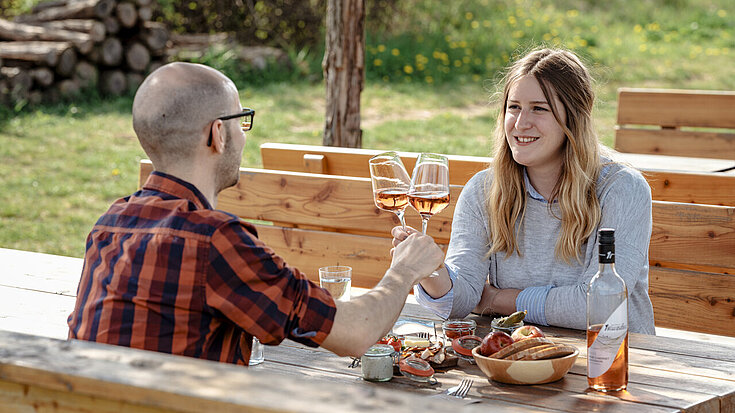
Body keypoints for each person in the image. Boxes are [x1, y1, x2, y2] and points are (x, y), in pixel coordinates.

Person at [67, 62, 445, 365]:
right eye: (240, 120)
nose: (244, 135)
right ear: (218, 134)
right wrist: (404, 271)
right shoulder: (215, 241)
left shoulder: (110, 224)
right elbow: (355, 334)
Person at [392, 47, 655, 334]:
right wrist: (430, 270)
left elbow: (600, 305)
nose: (520, 123)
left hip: (615, 362)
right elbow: (463, 300)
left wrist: (499, 299)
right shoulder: (484, 190)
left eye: (539, 108)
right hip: (516, 359)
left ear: (575, 116)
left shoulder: (621, 189)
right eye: (514, 107)